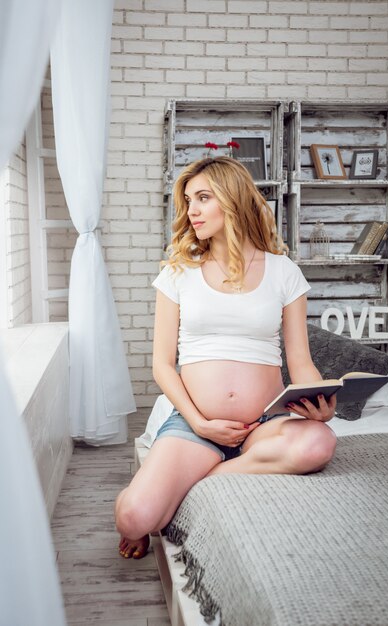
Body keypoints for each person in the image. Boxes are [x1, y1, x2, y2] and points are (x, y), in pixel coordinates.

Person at [115, 156, 337, 559]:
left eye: (203, 198)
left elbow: (300, 360)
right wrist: (202, 423)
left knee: (318, 444)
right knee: (132, 517)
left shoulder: (283, 271)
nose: (191, 210)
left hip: (264, 423)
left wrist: (317, 401)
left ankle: (196, 482)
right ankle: (167, 487)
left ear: (232, 200)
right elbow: (162, 364)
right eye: (188, 201)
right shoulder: (178, 272)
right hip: (197, 425)